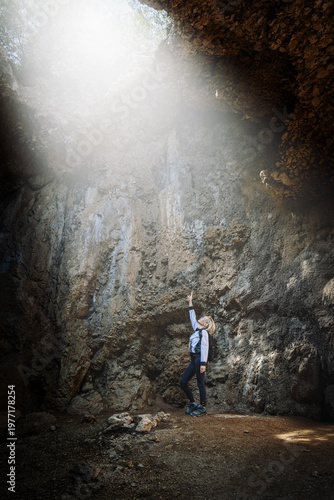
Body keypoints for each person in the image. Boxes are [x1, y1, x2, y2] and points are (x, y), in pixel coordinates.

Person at [180, 291, 215, 417]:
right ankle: (193, 404)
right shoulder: (196, 329)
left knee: (200, 383)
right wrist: (190, 302)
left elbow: (205, 348)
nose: (200, 319)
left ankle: (203, 407)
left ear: (205, 324)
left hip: (200, 359)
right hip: (193, 359)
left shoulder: (204, 333)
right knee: (183, 382)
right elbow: (192, 316)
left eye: (203, 319)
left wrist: (203, 364)